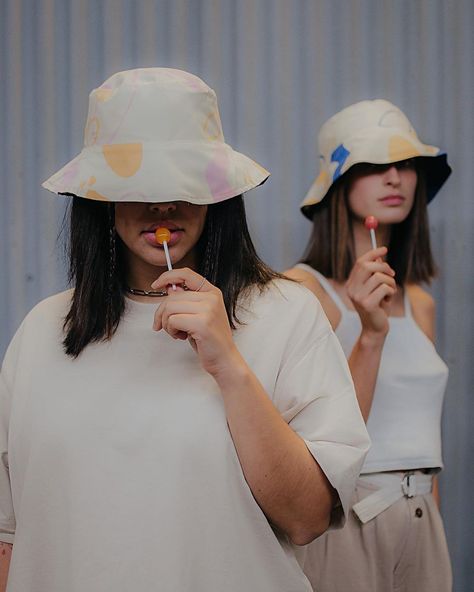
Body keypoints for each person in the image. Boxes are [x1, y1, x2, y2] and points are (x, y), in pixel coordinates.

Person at [0, 68, 370, 592]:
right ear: (99, 199)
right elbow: (9, 537)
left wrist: (230, 368)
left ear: (217, 195)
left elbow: (308, 517)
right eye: (137, 183)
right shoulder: (42, 331)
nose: (163, 204)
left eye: (184, 179)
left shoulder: (287, 314)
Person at [286, 99, 452, 592]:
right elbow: (316, 436)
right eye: (376, 166)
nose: (396, 177)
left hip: (421, 517)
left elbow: (424, 434)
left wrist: (432, 529)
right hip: (348, 519)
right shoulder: (301, 291)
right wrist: (369, 334)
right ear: (339, 184)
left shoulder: (420, 302)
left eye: (407, 165)